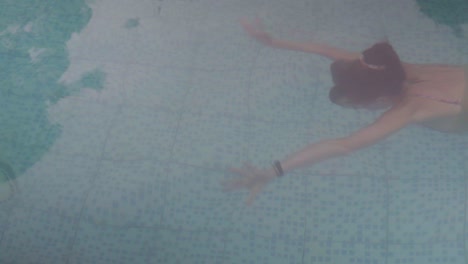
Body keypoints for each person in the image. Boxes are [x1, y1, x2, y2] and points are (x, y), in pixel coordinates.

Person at [222, 18, 468, 205]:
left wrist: (271, 173)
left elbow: (343, 145)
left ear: (381, 98)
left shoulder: (410, 108)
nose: (360, 109)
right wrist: (273, 42)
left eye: (360, 105)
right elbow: (327, 50)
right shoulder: (390, 69)